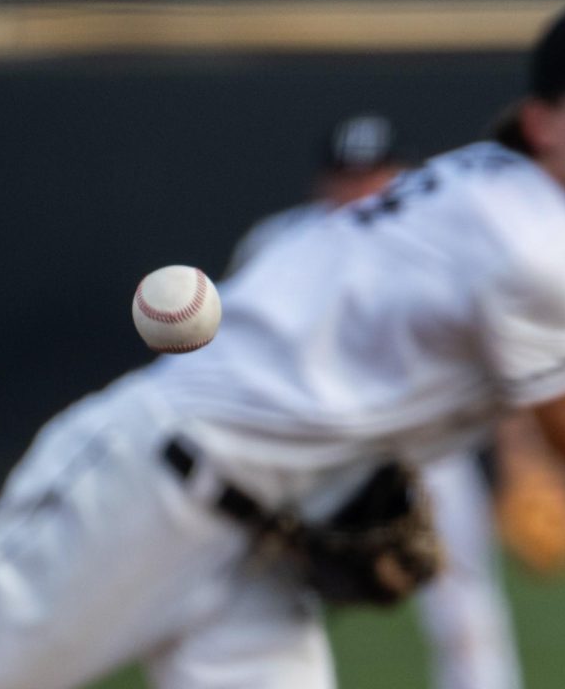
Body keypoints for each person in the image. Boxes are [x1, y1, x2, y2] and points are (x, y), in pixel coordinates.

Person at [0, 0, 565, 689]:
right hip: (149, 493)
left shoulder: (479, 183)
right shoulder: (540, 240)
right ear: (547, 120)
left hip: (261, 550)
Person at [225, 112, 531, 689]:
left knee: (466, 607)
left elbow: (502, 359)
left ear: (405, 180)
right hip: (307, 452)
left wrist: (526, 461)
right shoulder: (279, 243)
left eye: (376, 176)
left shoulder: (445, 250)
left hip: (423, 451)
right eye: (347, 177)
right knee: (265, 607)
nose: (361, 191)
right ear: (322, 185)